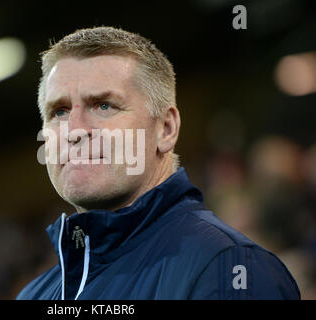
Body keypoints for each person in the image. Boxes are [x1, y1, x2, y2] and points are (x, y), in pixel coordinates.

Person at [16, 26, 300, 299]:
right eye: (59, 111)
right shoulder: (33, 295)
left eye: (104, 105)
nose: (74, 129)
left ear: (166, 129)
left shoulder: (228, 269)